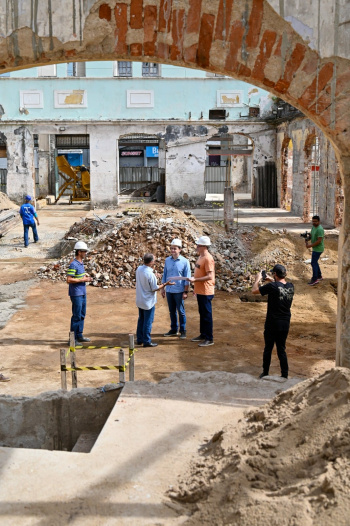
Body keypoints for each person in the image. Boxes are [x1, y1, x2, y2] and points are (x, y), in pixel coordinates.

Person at [252, 264, 294, 379]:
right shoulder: (291, 286)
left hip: (272, 323)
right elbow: (281, 286)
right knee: (281, 349)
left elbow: (254, 290)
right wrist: (271, 280)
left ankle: (265, 372)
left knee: (268, 348)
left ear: (275, 274)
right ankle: (284, 375)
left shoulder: (272, 286)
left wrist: (257, 279)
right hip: (285, 323)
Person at [136, 253, 174, 347]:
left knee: (141, 319)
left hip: (140, 299)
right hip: (148, 301)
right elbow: (155, 288)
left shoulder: (139, 269)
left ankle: (139, 339)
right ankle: (147, 341)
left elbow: (146, 278)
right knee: (148, 321)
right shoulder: (149, 274)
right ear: (151, 262)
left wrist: (154, 275)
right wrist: (165, 284)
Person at [187, 236, 215, 347]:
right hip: (200, 291)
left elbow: (209, 276)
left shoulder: (208, 258)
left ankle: (209, 338)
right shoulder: (201, 257)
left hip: (206, 291)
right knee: (202, 314)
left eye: (198, 245)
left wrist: (195, 280)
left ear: (204, 247)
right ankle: (203, 334)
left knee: (207, 315)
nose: (197, 247)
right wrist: (195, 288)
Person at [162, 238, 191, 339]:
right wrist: (163, 288)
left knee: (181, 311)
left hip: (179, 291)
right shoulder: (167, 260)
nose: (173, 250)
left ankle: (183, 330)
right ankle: (174, 329)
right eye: (171, 248)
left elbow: (187, 278)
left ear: (180, 249)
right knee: (172, 311)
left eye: (175, 248)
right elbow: (165, 274)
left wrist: (185, 291)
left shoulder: (185, 261)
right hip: (169, 290)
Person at [66, 241, 93, 345]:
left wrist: (85, 278)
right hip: (76, 294)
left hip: (82, 292)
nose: (86, 253)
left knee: (82, 314)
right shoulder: (73, 264)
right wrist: (83, 280)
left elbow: (79, 277)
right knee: (76, 315)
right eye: (84, 251)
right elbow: (69, 279)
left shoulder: (81, 263)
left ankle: (79, 335)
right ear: (79, 252)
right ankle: (72, 340)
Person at [305, 215, 325, 286]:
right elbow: (311, 235)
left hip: (318, 249)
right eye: (313, 221)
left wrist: (310, 245)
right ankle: (319, 276)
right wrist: (307, 238)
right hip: (315, 248)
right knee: (315, 262)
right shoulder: (313, 227)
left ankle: (315, 279)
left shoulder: (320, 229)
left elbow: (319, 241)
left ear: (319, 221)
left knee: (313, 263)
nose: (314, 223)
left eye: (315, 221)